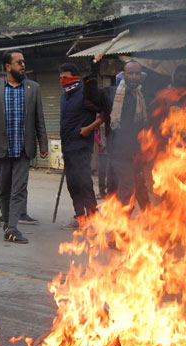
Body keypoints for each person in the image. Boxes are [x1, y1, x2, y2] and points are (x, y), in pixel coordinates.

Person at [0, 50, 48, 243]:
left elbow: (39, 119)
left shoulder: (34, 88)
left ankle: (13, 227)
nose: (23, 65)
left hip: (24, 148)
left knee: (19, 189)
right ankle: (7, 222)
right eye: (18, 62)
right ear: (7, 67)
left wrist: (43, 144)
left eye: (23, 62)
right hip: (1, 147)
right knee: (3, 189)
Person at [84, 56, 149, 213]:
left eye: (137, 74)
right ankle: (120, 230)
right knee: (127, 189)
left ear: (141, 76)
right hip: (118, 155)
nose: (134, 77)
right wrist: (94, 67)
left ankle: (154, 223)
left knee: (138, 188)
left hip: (136, 154)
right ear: (124, 75)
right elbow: (91, 94)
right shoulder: (111, 94)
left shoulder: (142, 98)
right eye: (130, 73)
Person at [58, 62, 101, 230]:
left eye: (66, 77)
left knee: (84, 183)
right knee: (73, 184)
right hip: (68, 147)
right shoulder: (64, 95)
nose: (62, 80)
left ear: (75, 77)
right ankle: (80, 218)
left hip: (81, 146)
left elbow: (105, 113)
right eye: (60, 78)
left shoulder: (85, 93)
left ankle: (94, 219)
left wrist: (88, 129)